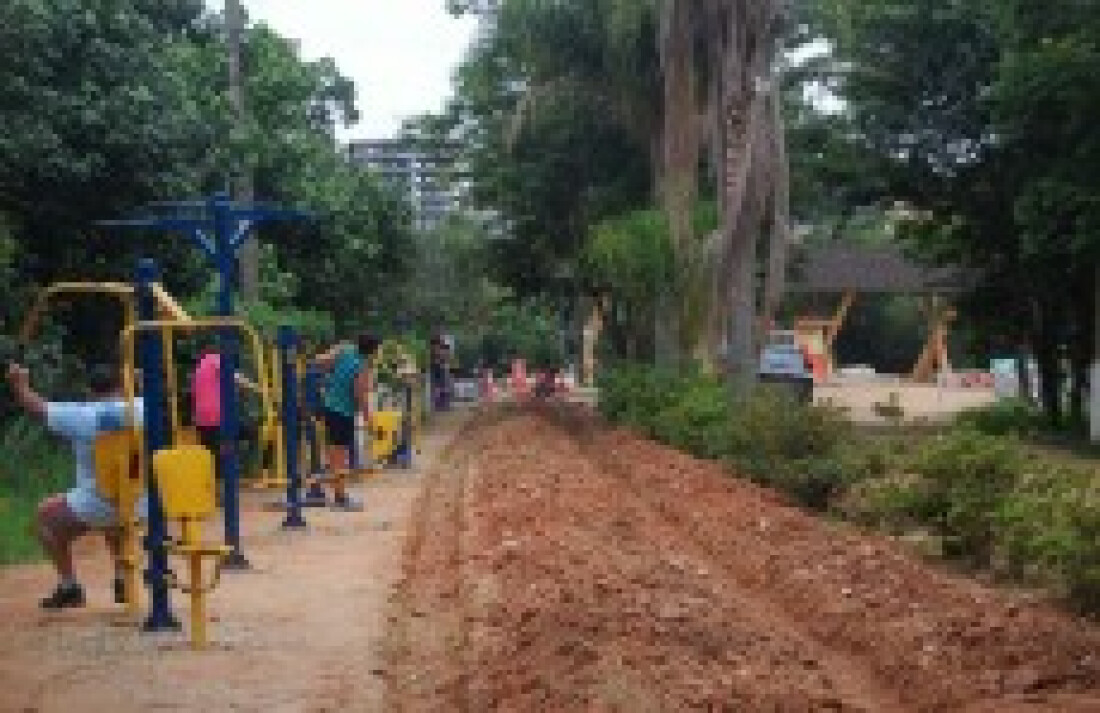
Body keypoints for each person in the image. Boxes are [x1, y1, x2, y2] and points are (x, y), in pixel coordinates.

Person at [6, 361, 144, 610]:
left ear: (90, 391)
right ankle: (123, 578)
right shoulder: (143, 407)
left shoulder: (81, 415)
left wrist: (19, 384)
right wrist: (137, 384)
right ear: (122, 386)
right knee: (115, 514)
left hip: (100, 502)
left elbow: (35, 407)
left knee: (45, 517)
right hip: (142, 501)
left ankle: (69, 586)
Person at [314, 332, 380, 504]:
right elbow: (360, 395)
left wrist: (331, 376)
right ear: (373, 351)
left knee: (332, 451)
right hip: (343, 412)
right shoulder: (363, 367)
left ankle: (335, 491)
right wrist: (369, 420)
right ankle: (340, 495)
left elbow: (320, 361)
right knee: (340, 454)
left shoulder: (344, 349)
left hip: (328, 406)